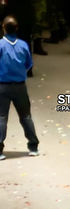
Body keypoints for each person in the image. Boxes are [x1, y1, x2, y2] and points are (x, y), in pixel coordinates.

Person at [0, 16, 40, 161]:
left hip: (2, 85)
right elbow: (29, 63)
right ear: (16, 28)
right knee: (25, 116)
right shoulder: (23, 45)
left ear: (3, 28)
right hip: (20, 86)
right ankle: (33, 146)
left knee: (1, 117)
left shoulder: (0, 45)